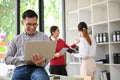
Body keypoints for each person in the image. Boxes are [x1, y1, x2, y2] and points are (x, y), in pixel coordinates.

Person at [5, 9, 49, 80]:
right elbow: (7, 59)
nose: (32, 27)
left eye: (35, 24)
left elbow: (47, 59)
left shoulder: (44, 37)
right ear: (22, 22)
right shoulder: (16, 39)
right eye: (29, 24)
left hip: (38, 68)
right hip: (20, 68)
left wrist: (41, 63)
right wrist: (23, 59)